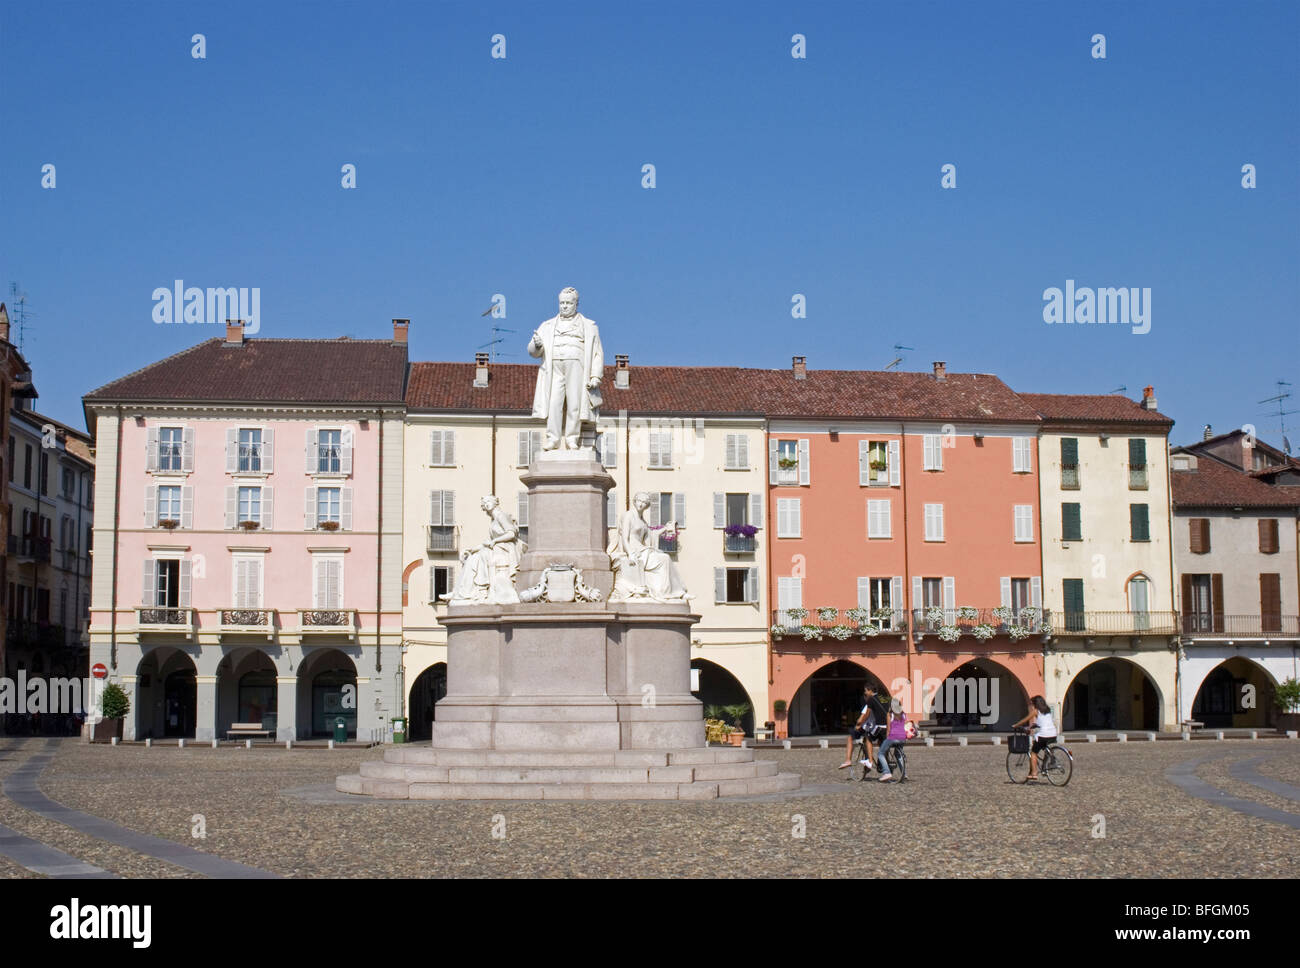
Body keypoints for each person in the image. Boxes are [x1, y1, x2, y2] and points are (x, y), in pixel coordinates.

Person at [527, 287, 604, 451]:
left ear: (576, 304)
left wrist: (596, 376)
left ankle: (571, 439)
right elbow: (533, 351)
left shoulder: (589, 326)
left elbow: (597, 353)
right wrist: (536, 344)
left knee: (574, 404)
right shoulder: (547, 325)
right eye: (562, 303)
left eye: (568, 303)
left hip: (577, 366)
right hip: (554, 367)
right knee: (554, 403)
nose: (564, 306)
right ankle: (553, 439)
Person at [606, 491, 691, 602]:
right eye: (639, 501)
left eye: (644, 502)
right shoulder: (628, 515)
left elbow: (651, 536)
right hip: (634, 551)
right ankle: (670, 593)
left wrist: (665, 528)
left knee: (664, 558)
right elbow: (624, 538)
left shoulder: (643, 521)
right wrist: (630, 553)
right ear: (634, 501)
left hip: (642, 550)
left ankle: (675, 592)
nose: (641, 504)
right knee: (664, 559)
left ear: (647, 506)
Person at [443, 496, 524, 604]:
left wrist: (495, 541)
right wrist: (473, 549)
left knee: (479, 557)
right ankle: (460, 592)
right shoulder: (494, 520)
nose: (485, 505)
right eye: (483, 504)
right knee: (472, 557)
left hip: (505, 548)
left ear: (494, 503)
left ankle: (470, 593)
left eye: (487, 502)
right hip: (497, 547)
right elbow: (488, 541)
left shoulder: (501, 516)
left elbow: (511, 533)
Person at [839, 684, 887, 770]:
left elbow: (863, 717)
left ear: (869, 692)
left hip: (868, 727)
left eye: (865, 692)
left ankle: (849, 760)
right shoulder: (882, 700)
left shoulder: (870, 702)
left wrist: (858, 724)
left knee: (851, 737)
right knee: (880, 742)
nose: (865, 695)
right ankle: (880, 763)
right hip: (880, 727)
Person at [1013, 696, 1058, 780]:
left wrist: (1016, 725)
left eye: (1033, 703)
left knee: (1033, 753)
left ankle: (1034, 773)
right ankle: (1045, 765)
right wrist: (1033, 725)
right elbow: (1044, 722)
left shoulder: (1036, 711)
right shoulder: (1048, 710)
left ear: (1035, 704)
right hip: (1053, 734)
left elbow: (1025, 720)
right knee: (1044, 747)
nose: (1032, 705)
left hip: (1043, 734)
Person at [877, 698, 908, 781]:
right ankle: (904, 774)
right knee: (898, 755)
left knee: (880, 753)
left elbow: (888, 729)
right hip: (902, 738)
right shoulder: (904, 714)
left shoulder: (890, 714)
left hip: (893, 737)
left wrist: (886, 739)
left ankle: (886, 772)